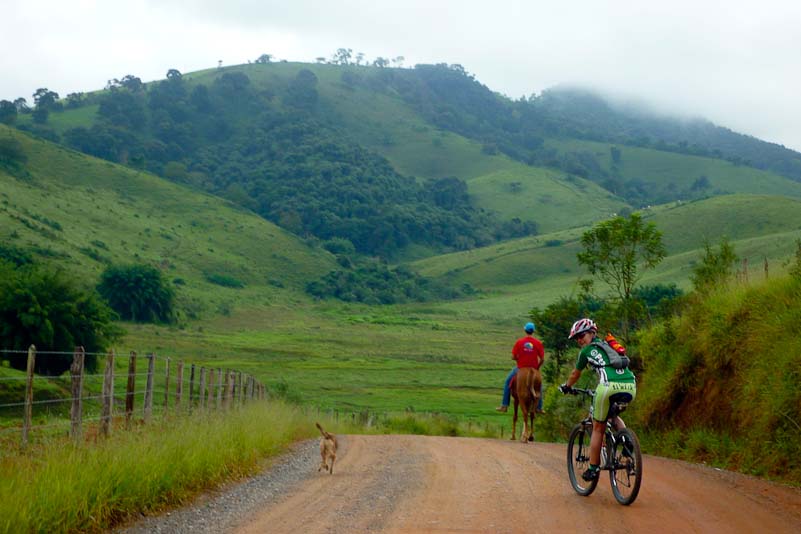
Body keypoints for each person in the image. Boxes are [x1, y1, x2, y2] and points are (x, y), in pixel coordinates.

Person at [558, 318, 637, 481]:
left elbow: (575, 374)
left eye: (582, 336)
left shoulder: (586, 352)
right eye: (577, 338)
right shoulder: (610, 345)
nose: (580, 340)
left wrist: (566, 386)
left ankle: (593, 468)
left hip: (608, 387)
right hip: (631, 385)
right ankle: (626, 439)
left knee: (598, 428)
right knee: (613, 416)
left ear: (593, 333)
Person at [496, 322, 545, 413]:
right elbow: (542, 359)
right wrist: (537, 368)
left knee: (507, 382)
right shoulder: (538, 343)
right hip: (533, 369)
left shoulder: (519, 342)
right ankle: (539, 407)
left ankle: (504, 405)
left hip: (520, 368)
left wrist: (518, 359)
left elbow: (513, 356)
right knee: (540, 386)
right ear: (533, 331)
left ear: (525, 330)